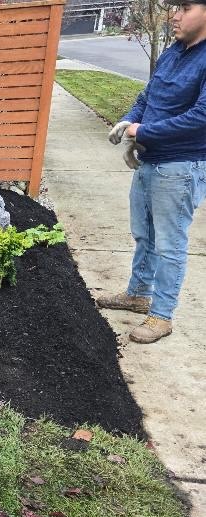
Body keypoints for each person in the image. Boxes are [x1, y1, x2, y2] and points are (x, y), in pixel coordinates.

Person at [98, 0, 206, 343]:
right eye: (174, 8)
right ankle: (138, 294)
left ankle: (162, 315)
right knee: (144, 232)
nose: (174, 15)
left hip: (180, 166)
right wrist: (130, 119)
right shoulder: (174, 51)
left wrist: (143, 133)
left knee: (170, 243)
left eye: (184, 8)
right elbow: (149, 95)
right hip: (150, 160)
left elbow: (201, 118)